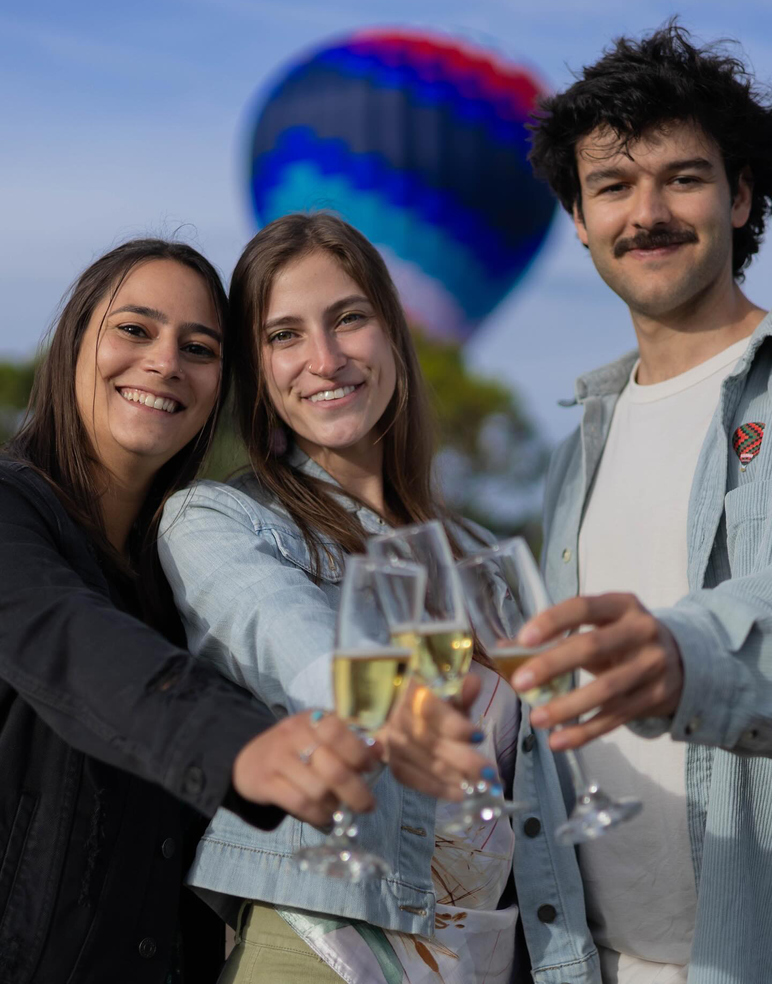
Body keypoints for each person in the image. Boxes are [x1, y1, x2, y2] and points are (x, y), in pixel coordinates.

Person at [0, 238, 381, 984]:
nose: (165, 363)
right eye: (134, 330)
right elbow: (66, 636)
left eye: (199, 348)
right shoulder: (10, 509)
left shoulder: (177, 576)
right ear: (74, 342)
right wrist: (242, 747)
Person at [158, 213, 522, 984]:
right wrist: (385, 705)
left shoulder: (483, 555)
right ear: (257, 369)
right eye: (284, 335)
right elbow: (284, 633)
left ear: (393, 331)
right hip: (323, 943)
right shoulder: (218, 519)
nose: (324, 359)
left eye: (349, 318)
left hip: (477, 960)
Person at [508, 22, 772, 984]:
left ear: (739, 196)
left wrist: (681, 655)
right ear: (579, 219)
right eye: (613, 185)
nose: (647, 213)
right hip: (595, 958)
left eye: (683, 178)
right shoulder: (576, 446)